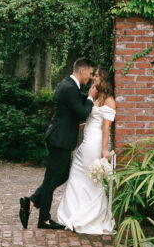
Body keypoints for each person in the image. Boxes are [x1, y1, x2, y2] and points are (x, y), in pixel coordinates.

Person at [19, 57, 97, 230]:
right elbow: (83, 112)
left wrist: (92, 96)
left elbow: (79, 102)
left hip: (61, 139)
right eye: (91, 73)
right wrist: (91, 98)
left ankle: (31, 202)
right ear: (82, 70)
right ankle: (43, 219)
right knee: (52, 178)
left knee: (61, 176)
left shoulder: (70, 85)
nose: (91, 77)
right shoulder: (69, 88)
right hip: (60, 139)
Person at [55, 67, 116, 234]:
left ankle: (90, 217)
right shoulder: (95, 99)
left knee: (90, 179)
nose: (93, 78)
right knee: (76, 174)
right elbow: (88, 121)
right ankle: (73, 213)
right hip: (85, 142)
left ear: (103, 80)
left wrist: (104, 150)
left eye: (96, 76)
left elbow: (106, 128)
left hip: (94, 143)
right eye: (93, 75)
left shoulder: (110, 100)